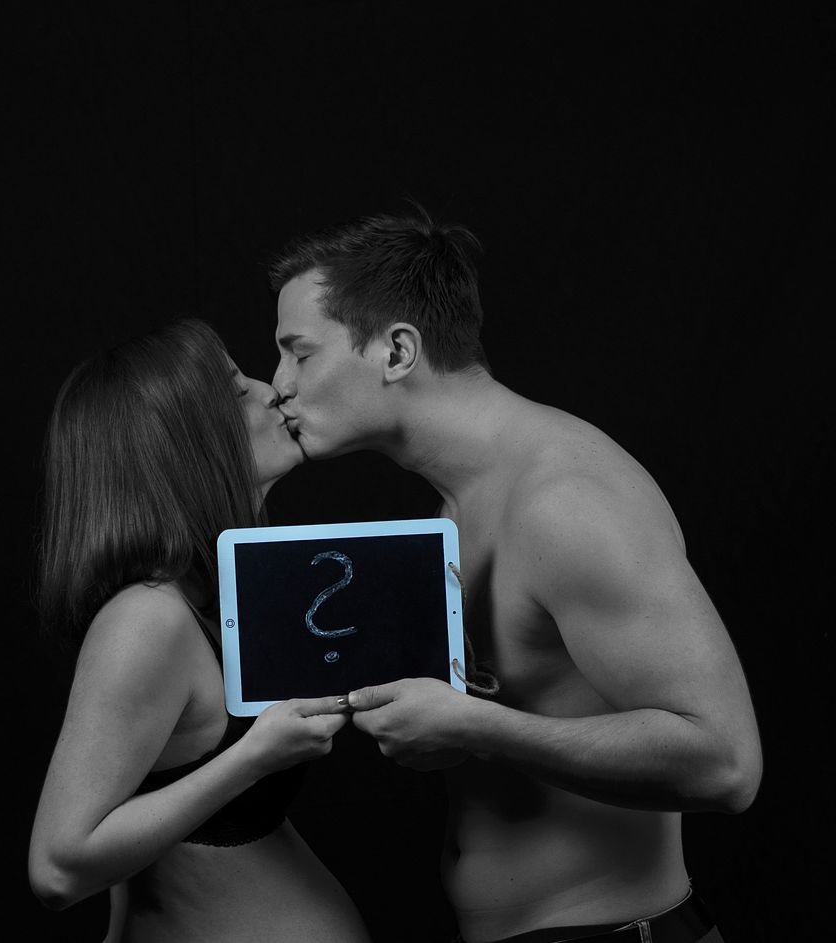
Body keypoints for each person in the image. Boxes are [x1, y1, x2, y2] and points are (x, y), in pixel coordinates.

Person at [268, 210, 762, 943]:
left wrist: (476, 725)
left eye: (299, 354)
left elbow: (727, 764)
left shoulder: (564, 503)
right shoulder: (457, 503)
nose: (278, 385)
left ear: (397, 350)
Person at [28, 320, 369, 943]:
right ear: (184, 443)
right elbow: (57, 870)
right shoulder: (147, 618)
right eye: (237, 390)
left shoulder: (219, 595)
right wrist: (254, 756)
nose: (270, 390)